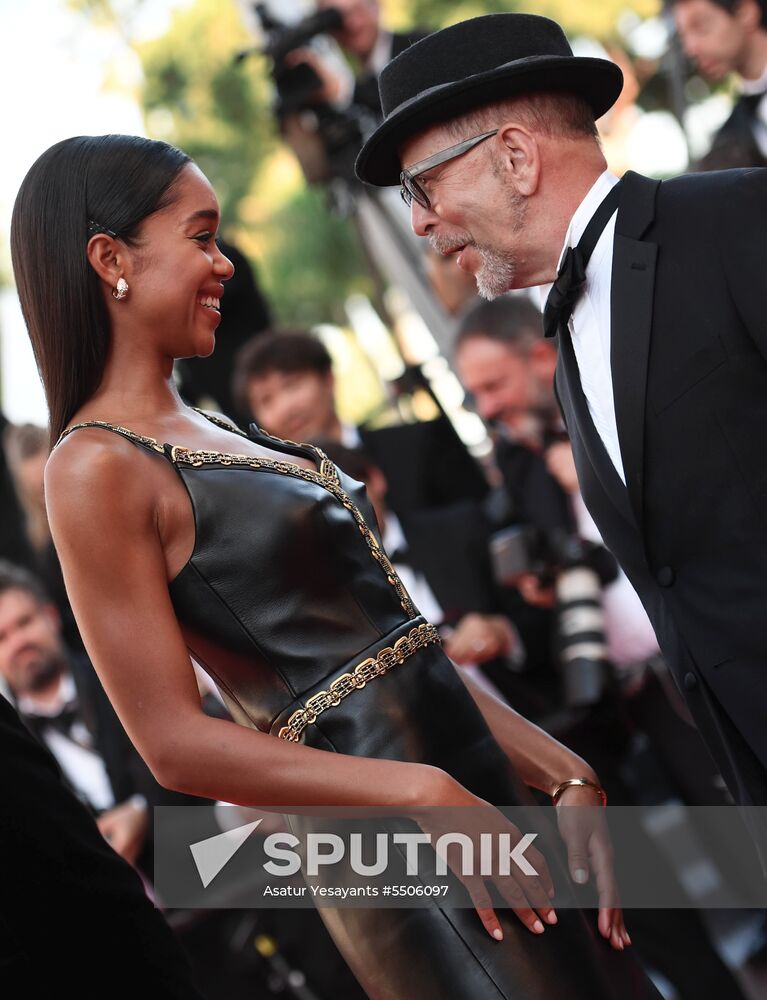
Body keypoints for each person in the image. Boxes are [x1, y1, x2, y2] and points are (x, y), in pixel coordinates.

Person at [10, 134, 660, 999]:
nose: (225, 264)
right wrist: (421, 793)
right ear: (109, 259)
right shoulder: (93, 466)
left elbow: (395, 653)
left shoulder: (227, 430)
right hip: (394, 852)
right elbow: (173, 744)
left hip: (482, 801)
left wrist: (562, 772)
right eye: (202, 236)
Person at [354, 11, 767, 862]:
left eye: (421, 188)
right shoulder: (565, 337)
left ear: (515, 155)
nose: (421, 225)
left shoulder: (736, 221)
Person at [232, 328, 489, 513]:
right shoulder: (280, 506)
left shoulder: (418, 443)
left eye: (292, 385)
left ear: (328, 379)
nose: (285, 407)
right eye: (266, 401)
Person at [672, 0, 767, 168]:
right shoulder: (723, 148)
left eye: (700, 27)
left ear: (746, 12)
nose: (690, 48)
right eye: (683, 36)